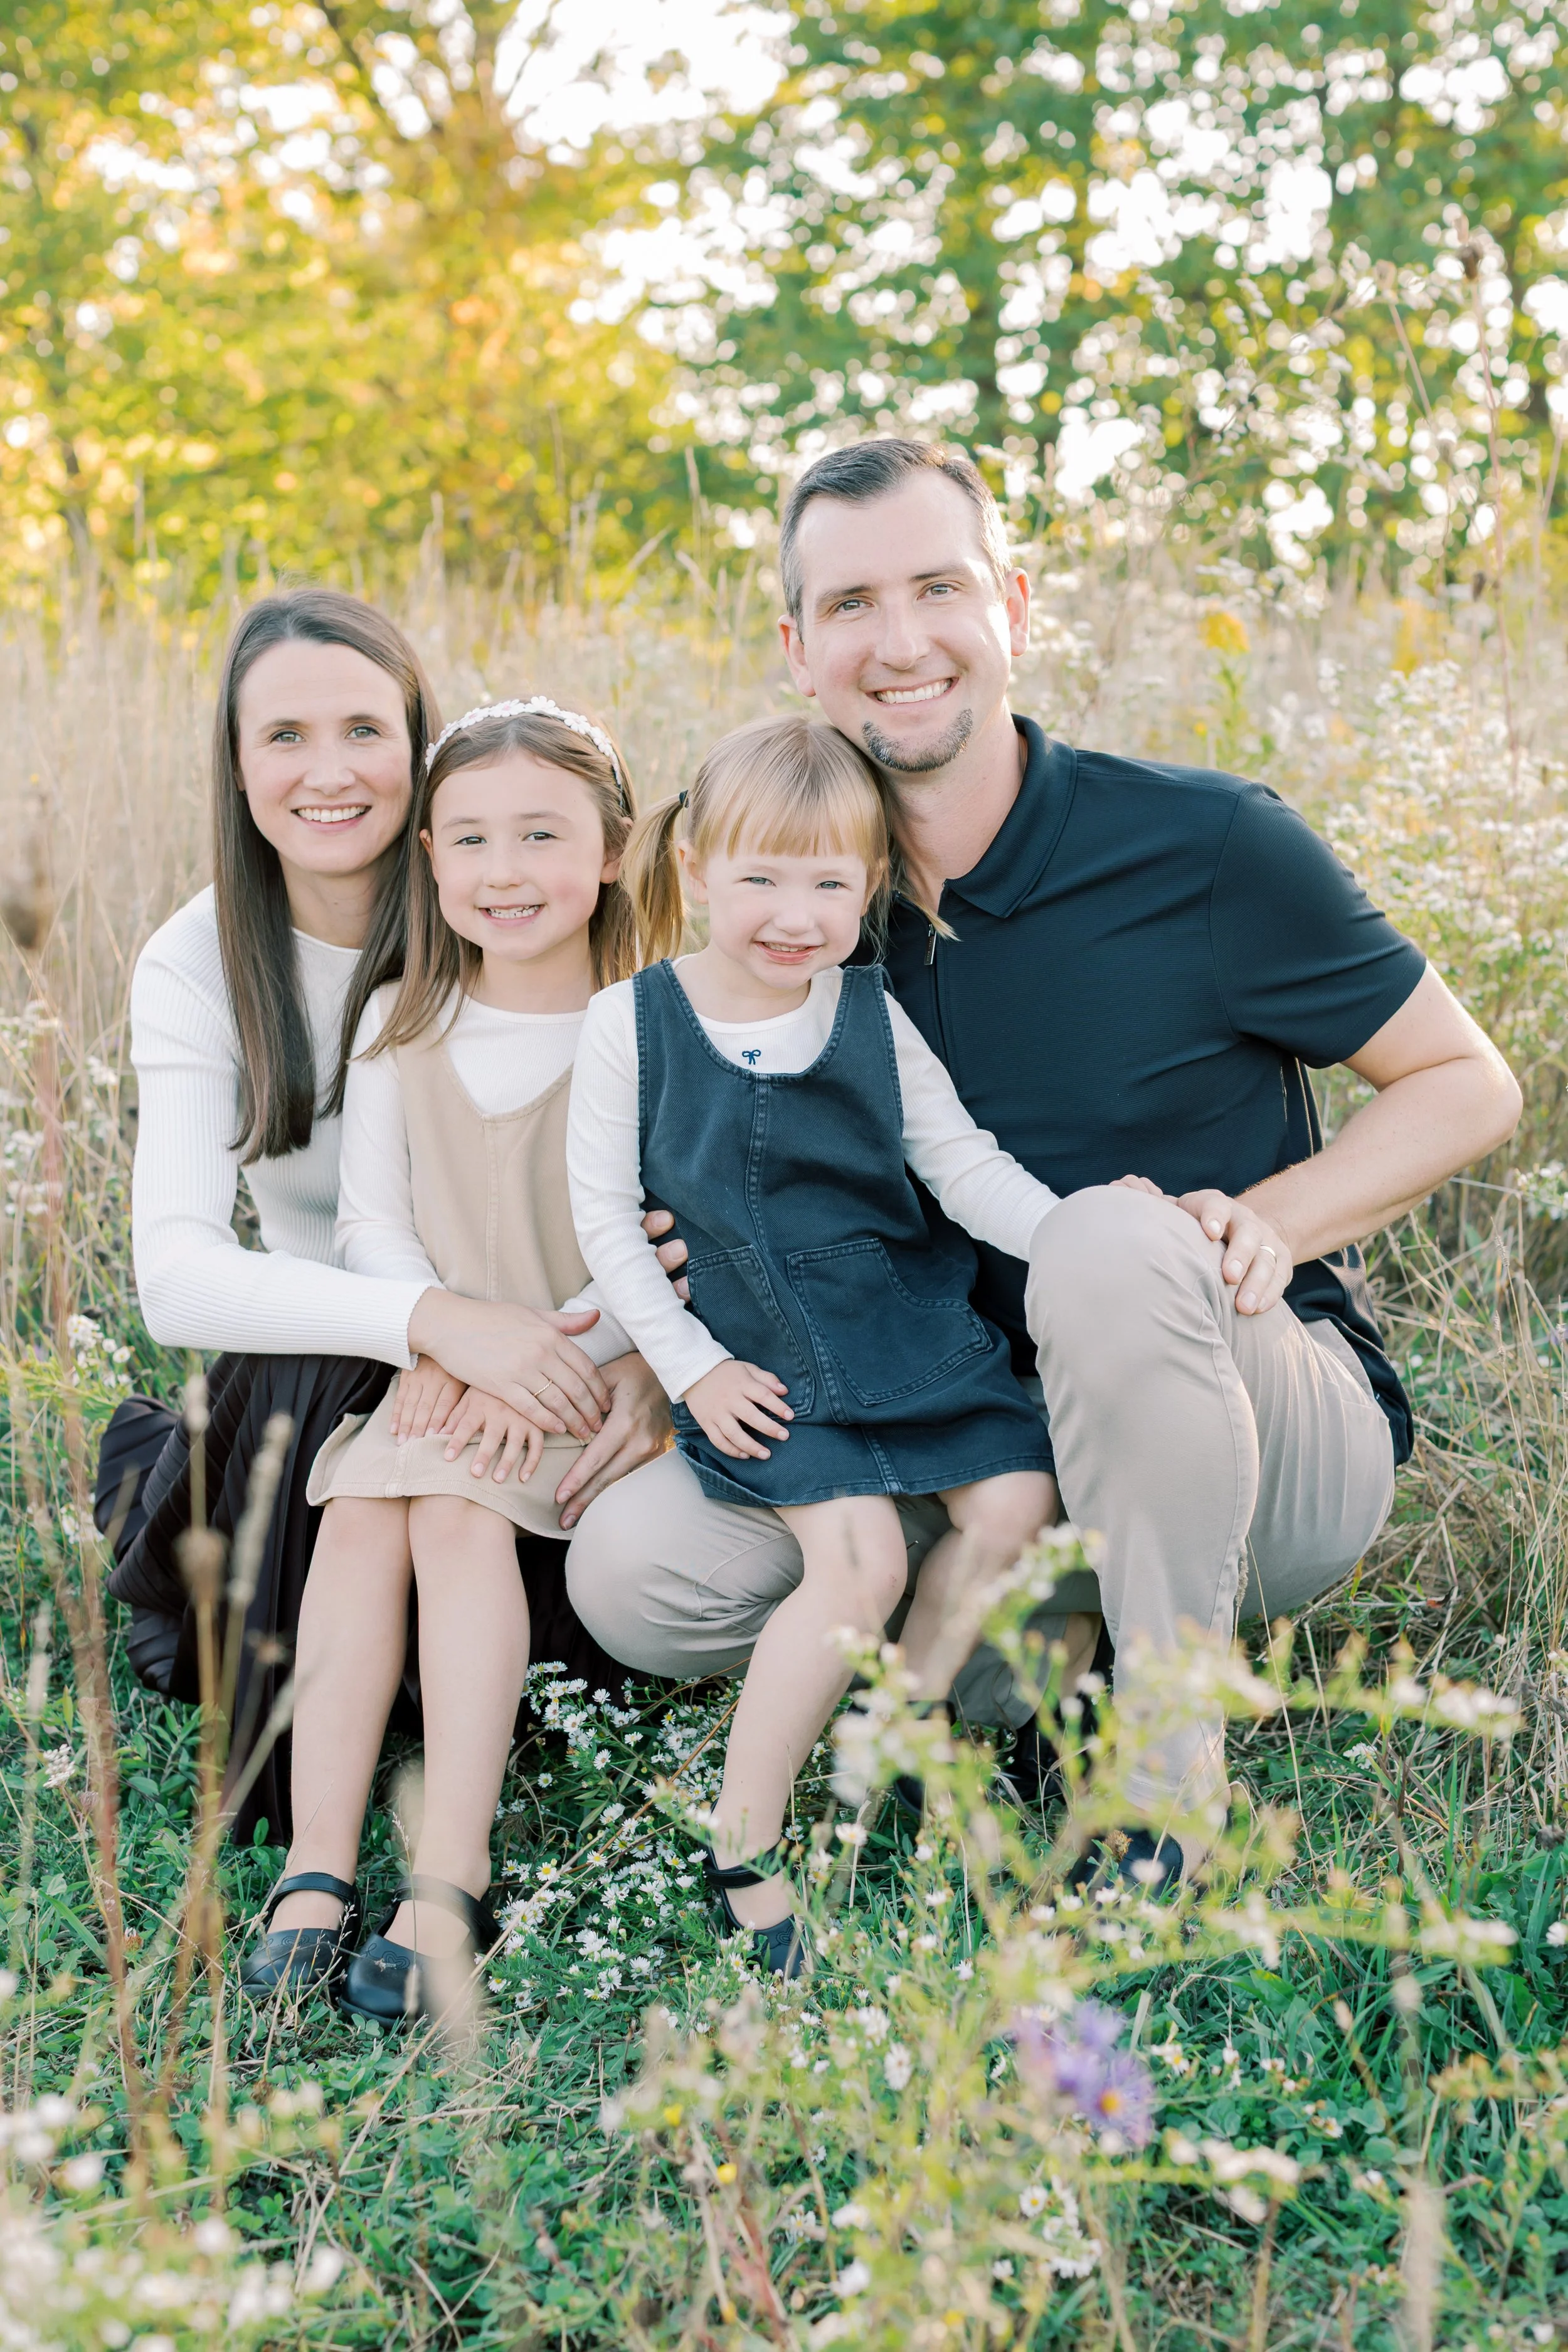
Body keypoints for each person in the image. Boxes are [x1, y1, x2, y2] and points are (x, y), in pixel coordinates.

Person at [567, 438, 1522, 1881]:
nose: (899, 644)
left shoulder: (1203, 845)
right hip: (961, 1439)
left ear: (1011, 605)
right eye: (849, 605)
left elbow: (1466, 1084)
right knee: (637, 1576)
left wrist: (1261, 1224)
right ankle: (1012, 1671)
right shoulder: (793, 900)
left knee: (1102, 1238)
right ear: (796, 646)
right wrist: (677, 1327)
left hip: (1252, 1431)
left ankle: (1162, 1765)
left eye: (938, 588)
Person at [569, 712, 1175, 1973]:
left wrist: (1081, 1235)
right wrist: (690, 1367)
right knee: (854, 1566)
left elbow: (960, 1168)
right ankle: (742, 1837)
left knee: (1014, 1498)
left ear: (868, 888)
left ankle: (904, 1749)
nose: (795, 913)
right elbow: (605, 1226)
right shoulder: (634, 1021)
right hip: (750, 1343)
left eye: (830, 883)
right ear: (694, 872)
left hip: (895, 1314)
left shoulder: (867, 1010)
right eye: (760, 878)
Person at [96, 593, 669, 1872]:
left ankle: (467, 1750)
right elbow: (177, 1278)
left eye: (365, 729)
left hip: (550, 1350)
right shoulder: (199, 959)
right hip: (350, 1342)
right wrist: (436, 1325)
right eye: (282, 736)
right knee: (312, 1397)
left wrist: (642, 1361)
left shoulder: (501, 897)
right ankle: (318, 1833)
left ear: (418, 758)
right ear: (236, 767)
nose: (327, 771)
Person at [241, 695, 643, 2019]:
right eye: (468, 840)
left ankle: (449, 1873)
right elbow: (371, 1223)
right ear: (428, 857)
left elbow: (662, 1238)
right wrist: (433, 1333)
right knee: (364, 1514)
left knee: (459, 1523)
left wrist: (544, 1354)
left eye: (541, 835)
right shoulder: (403, 1022)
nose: (504, 871)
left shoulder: (645, 1030)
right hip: (434, 1368)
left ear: (612, 851)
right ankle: (316, 1860)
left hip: (573, 1377)